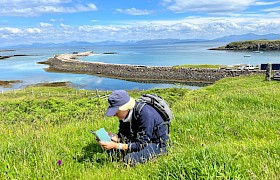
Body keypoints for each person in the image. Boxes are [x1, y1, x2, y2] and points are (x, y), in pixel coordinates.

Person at [98, 90, 169, 166]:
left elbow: (142, 143)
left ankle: (159, 153)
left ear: (125, 108)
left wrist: (116, 145)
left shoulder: (145, 114)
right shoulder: (124, 116)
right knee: (112, 151)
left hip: (156, 143)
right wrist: (113, 137)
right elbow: (123, 135)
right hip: (138, 139)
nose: (114, 115)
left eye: (116, 112)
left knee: (128, 159)